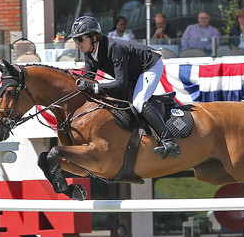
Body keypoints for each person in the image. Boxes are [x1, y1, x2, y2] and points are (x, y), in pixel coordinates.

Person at [68, 16, 180, 159]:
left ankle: (169, 142)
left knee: (139, 102)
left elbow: (121, 84)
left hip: (150, 66)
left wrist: (95, 88)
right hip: (133, 72)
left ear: (94, 37)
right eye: (75, 40)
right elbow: (88, 80)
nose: (77, 43)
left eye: (80, 39)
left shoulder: (114, 48)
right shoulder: (89, 53)